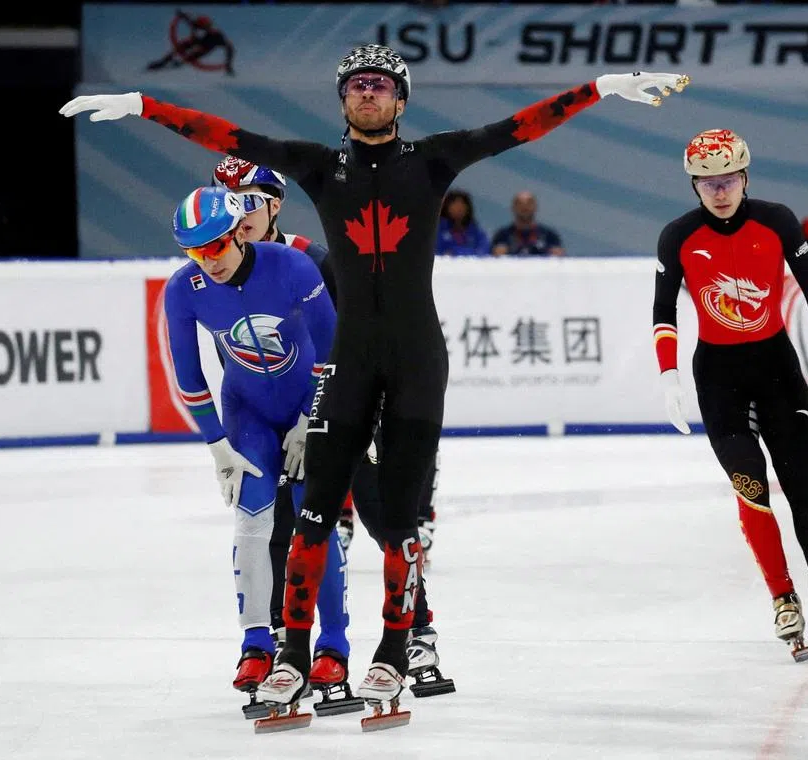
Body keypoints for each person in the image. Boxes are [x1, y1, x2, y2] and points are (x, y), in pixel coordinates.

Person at [62, 45, 689, 722]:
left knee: (401, 519)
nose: (368, 93)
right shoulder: (316, 167)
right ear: (342, 98)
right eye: (357, 84)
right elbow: (227, 135)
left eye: (381, 85)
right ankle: (294, 660)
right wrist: (143, 106)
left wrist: (597, 86)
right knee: (312, 513)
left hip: (419, 361)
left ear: (401, 98)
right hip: (348, 365)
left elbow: (521, 127)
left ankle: (395, 651)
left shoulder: (435, 159)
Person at [211, 156, 453, 699]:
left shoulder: (313, 260)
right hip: (271, 417)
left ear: (275, 205)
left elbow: (356, 340)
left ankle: (417, 627)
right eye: (227, 200)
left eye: (250, 199)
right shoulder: (216, 263)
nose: (238, 213)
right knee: (282, 522)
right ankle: (281, 636)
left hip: (342, 406)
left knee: (382, 516)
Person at [653, 129, 808, 664]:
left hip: (777, 371)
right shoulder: (677, 235)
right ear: (694, 185)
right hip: (717, 378)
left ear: (745, 178)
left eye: (728, 180)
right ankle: (783, 597)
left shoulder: (779, 221)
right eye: (708, 183)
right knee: (751, 488)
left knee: (799, 483)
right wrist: (669, 376)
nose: (719, 191)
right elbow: (663, 312)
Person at [161, 185, 358, 718]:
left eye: (215, 247)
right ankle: (256, 646)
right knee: (251, 522)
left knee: (313, 524)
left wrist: (309, 418)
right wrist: (216, 446)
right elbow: (189, 376)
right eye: (194, 252)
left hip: (304, 407)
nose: (208, 262)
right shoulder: (184, 289)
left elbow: (333, 346)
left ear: (238, 235)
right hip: (245, 415)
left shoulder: (292, 268)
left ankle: (333, 648)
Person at [490, 190, 564, 256]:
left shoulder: (549, 236)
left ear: (535, 207)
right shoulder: (502, 236)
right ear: (513, 207)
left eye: (529, 203)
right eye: (520, 204)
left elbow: (559, 260)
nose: (525, 207)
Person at [435, 189, 489, 257]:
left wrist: (455, 252)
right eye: (455, 204)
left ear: (467, 208)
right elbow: (437, 251)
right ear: (446, 206)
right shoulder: (437, 230)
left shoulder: (476, 231)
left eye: (462, 204)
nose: (459, 208)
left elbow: (483, 251)